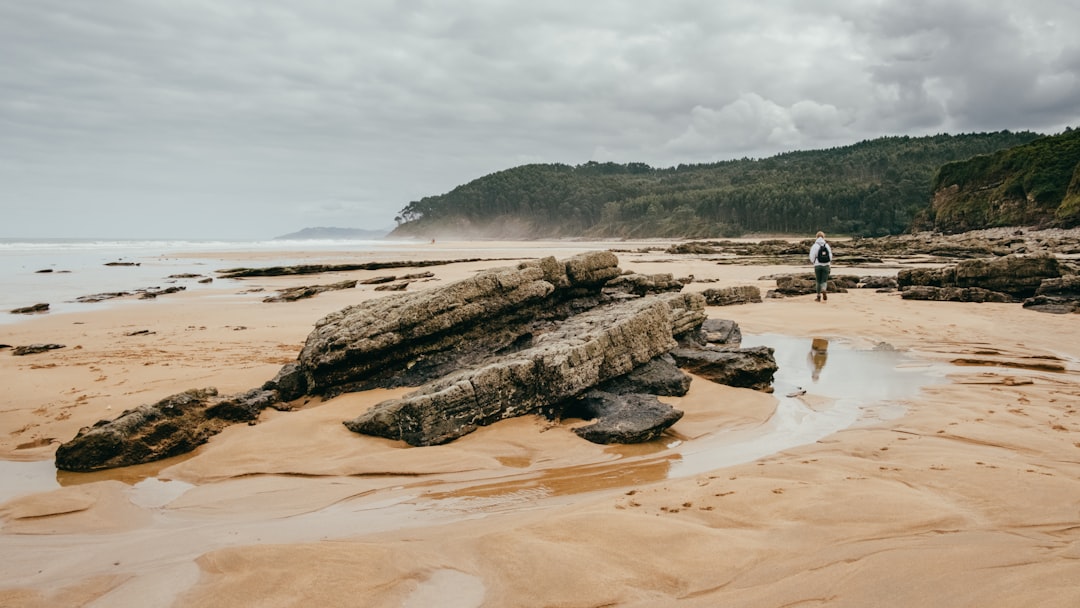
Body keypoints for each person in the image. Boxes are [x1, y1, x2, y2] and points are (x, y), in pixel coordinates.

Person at [808, 231, 833, 302]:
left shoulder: (814, 246)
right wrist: (828, 263)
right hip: (826, 265)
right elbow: (830, 256)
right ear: (823, 237)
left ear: (816, 237)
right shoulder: (827, 245)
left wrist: (813, 262)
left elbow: (812, 256)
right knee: (824, 281)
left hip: (817, 265)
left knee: (818, 281)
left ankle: (818, 296)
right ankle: (824, 290)